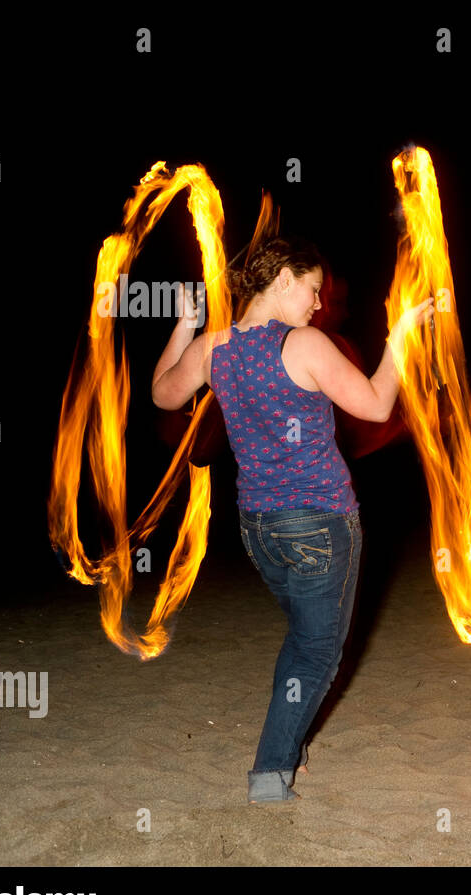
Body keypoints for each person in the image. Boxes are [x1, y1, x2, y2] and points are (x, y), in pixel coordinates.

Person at [151, 236, 433, 802]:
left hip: (258, 529)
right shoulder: (303, 344)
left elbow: (162, 394)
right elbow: (377, 404)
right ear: (282, 279)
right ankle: (272, 774)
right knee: (316, 649)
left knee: (306, 639)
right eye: (311, 289)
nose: (317, 304)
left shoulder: (215, 347)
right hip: (319, 523)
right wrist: (400, 340)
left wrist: (185, 326)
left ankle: (289, 748)